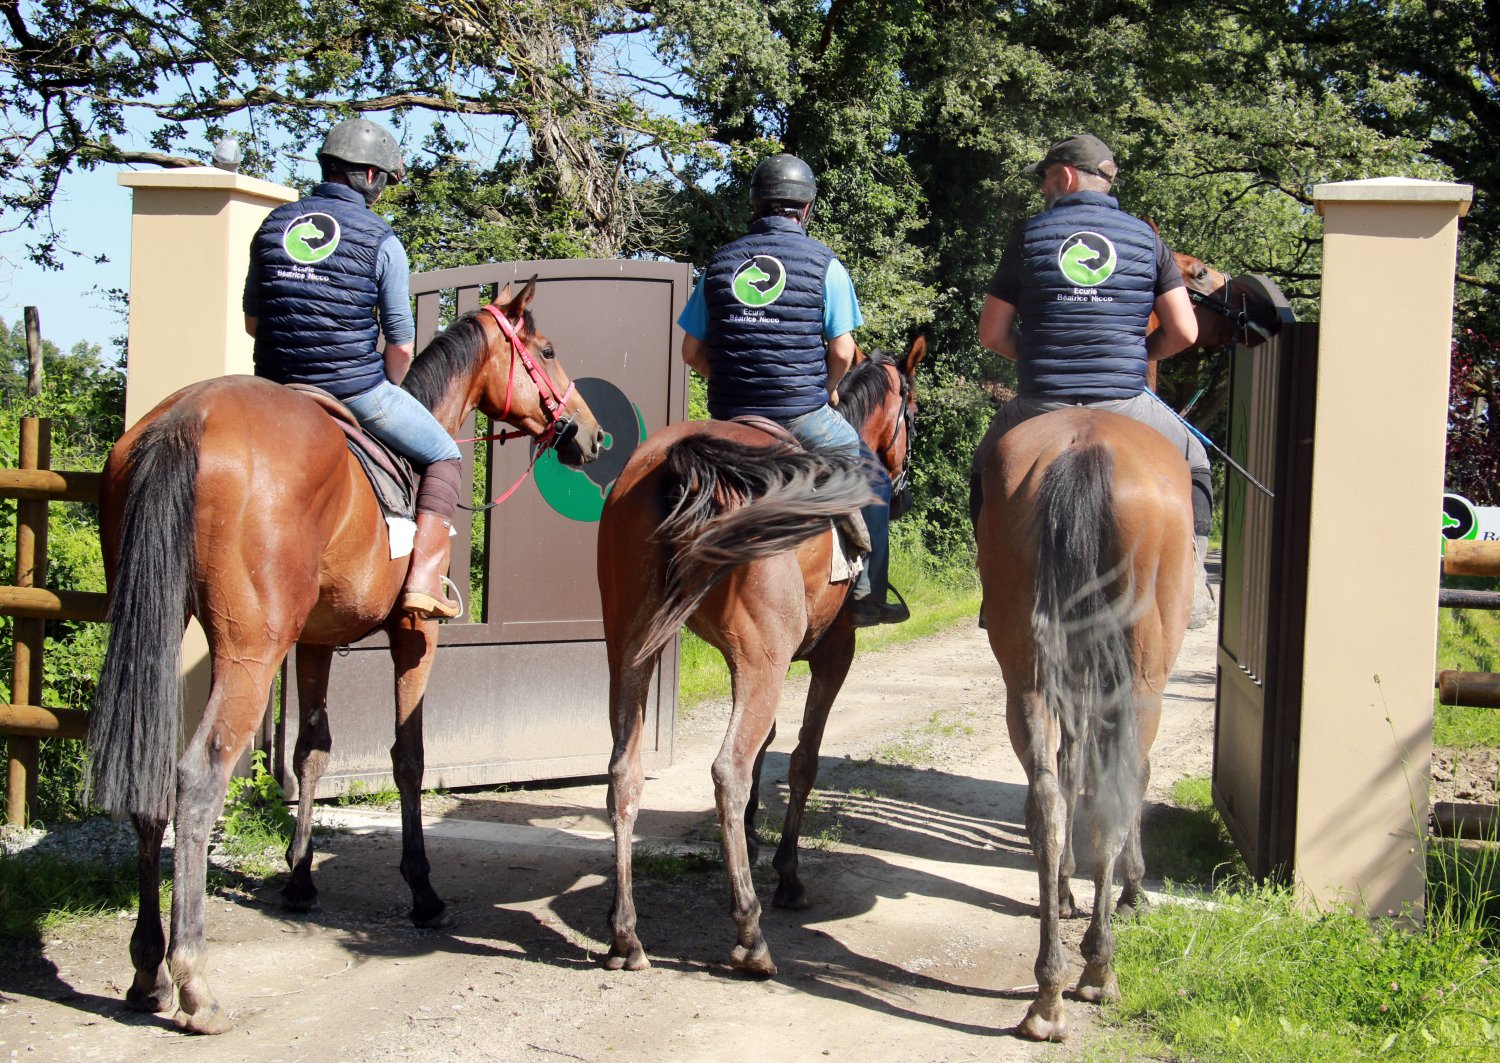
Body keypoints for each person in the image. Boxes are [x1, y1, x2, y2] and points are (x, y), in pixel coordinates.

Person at [974, 133, 1215, 626]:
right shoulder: (1147, 241)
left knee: (984, 467)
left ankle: (994, 586)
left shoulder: (1029, 236)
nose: (1044, 188)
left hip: (1042, 401)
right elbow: (1185, 332)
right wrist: (1139, 357)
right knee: (1195, 462)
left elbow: (992, 334)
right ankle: (1192, 589)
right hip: (1124, 399)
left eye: (1046, 178)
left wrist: (1037, 355)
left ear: (1065, 176)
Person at [243, 117, 463, 620]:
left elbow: (254, 323)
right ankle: (424, 582)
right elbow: (401, 345)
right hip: (351, 389)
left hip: (271, 387)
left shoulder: (274, 225)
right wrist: (387, 387)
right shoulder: (381, 239)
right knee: (444, 454)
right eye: (382, 179)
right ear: (368, 175)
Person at [677, 153, 906, 627]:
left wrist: (730, 381)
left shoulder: (720, 264)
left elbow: (691, 350)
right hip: (799, 414)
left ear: (755, 205)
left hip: (729, 416)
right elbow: (843, 350)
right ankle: (868, 592)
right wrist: (829, 390)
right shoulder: (825, 264)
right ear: (806, 208)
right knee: (874, 476)